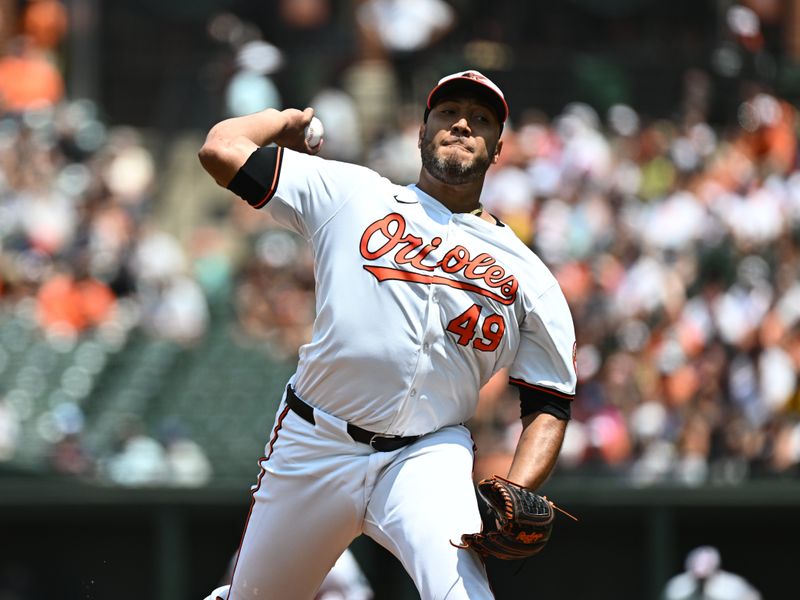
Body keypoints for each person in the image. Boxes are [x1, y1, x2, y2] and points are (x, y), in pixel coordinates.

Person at [198, 69, 577, 600]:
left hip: (427, 455)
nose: (462, 124)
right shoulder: (352, 193)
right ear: (422, 133)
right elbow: (220, 150)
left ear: (497, 149)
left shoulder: (530, 276)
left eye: (481, 119)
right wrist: (283, 121)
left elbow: (549, 401)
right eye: (447, 113)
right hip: (317, 441)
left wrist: (519, 486)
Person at [662, 545, 762, 600]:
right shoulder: (677, 586)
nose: (701, 568)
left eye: (706, 563)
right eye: (697, 563)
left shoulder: (733, 584)